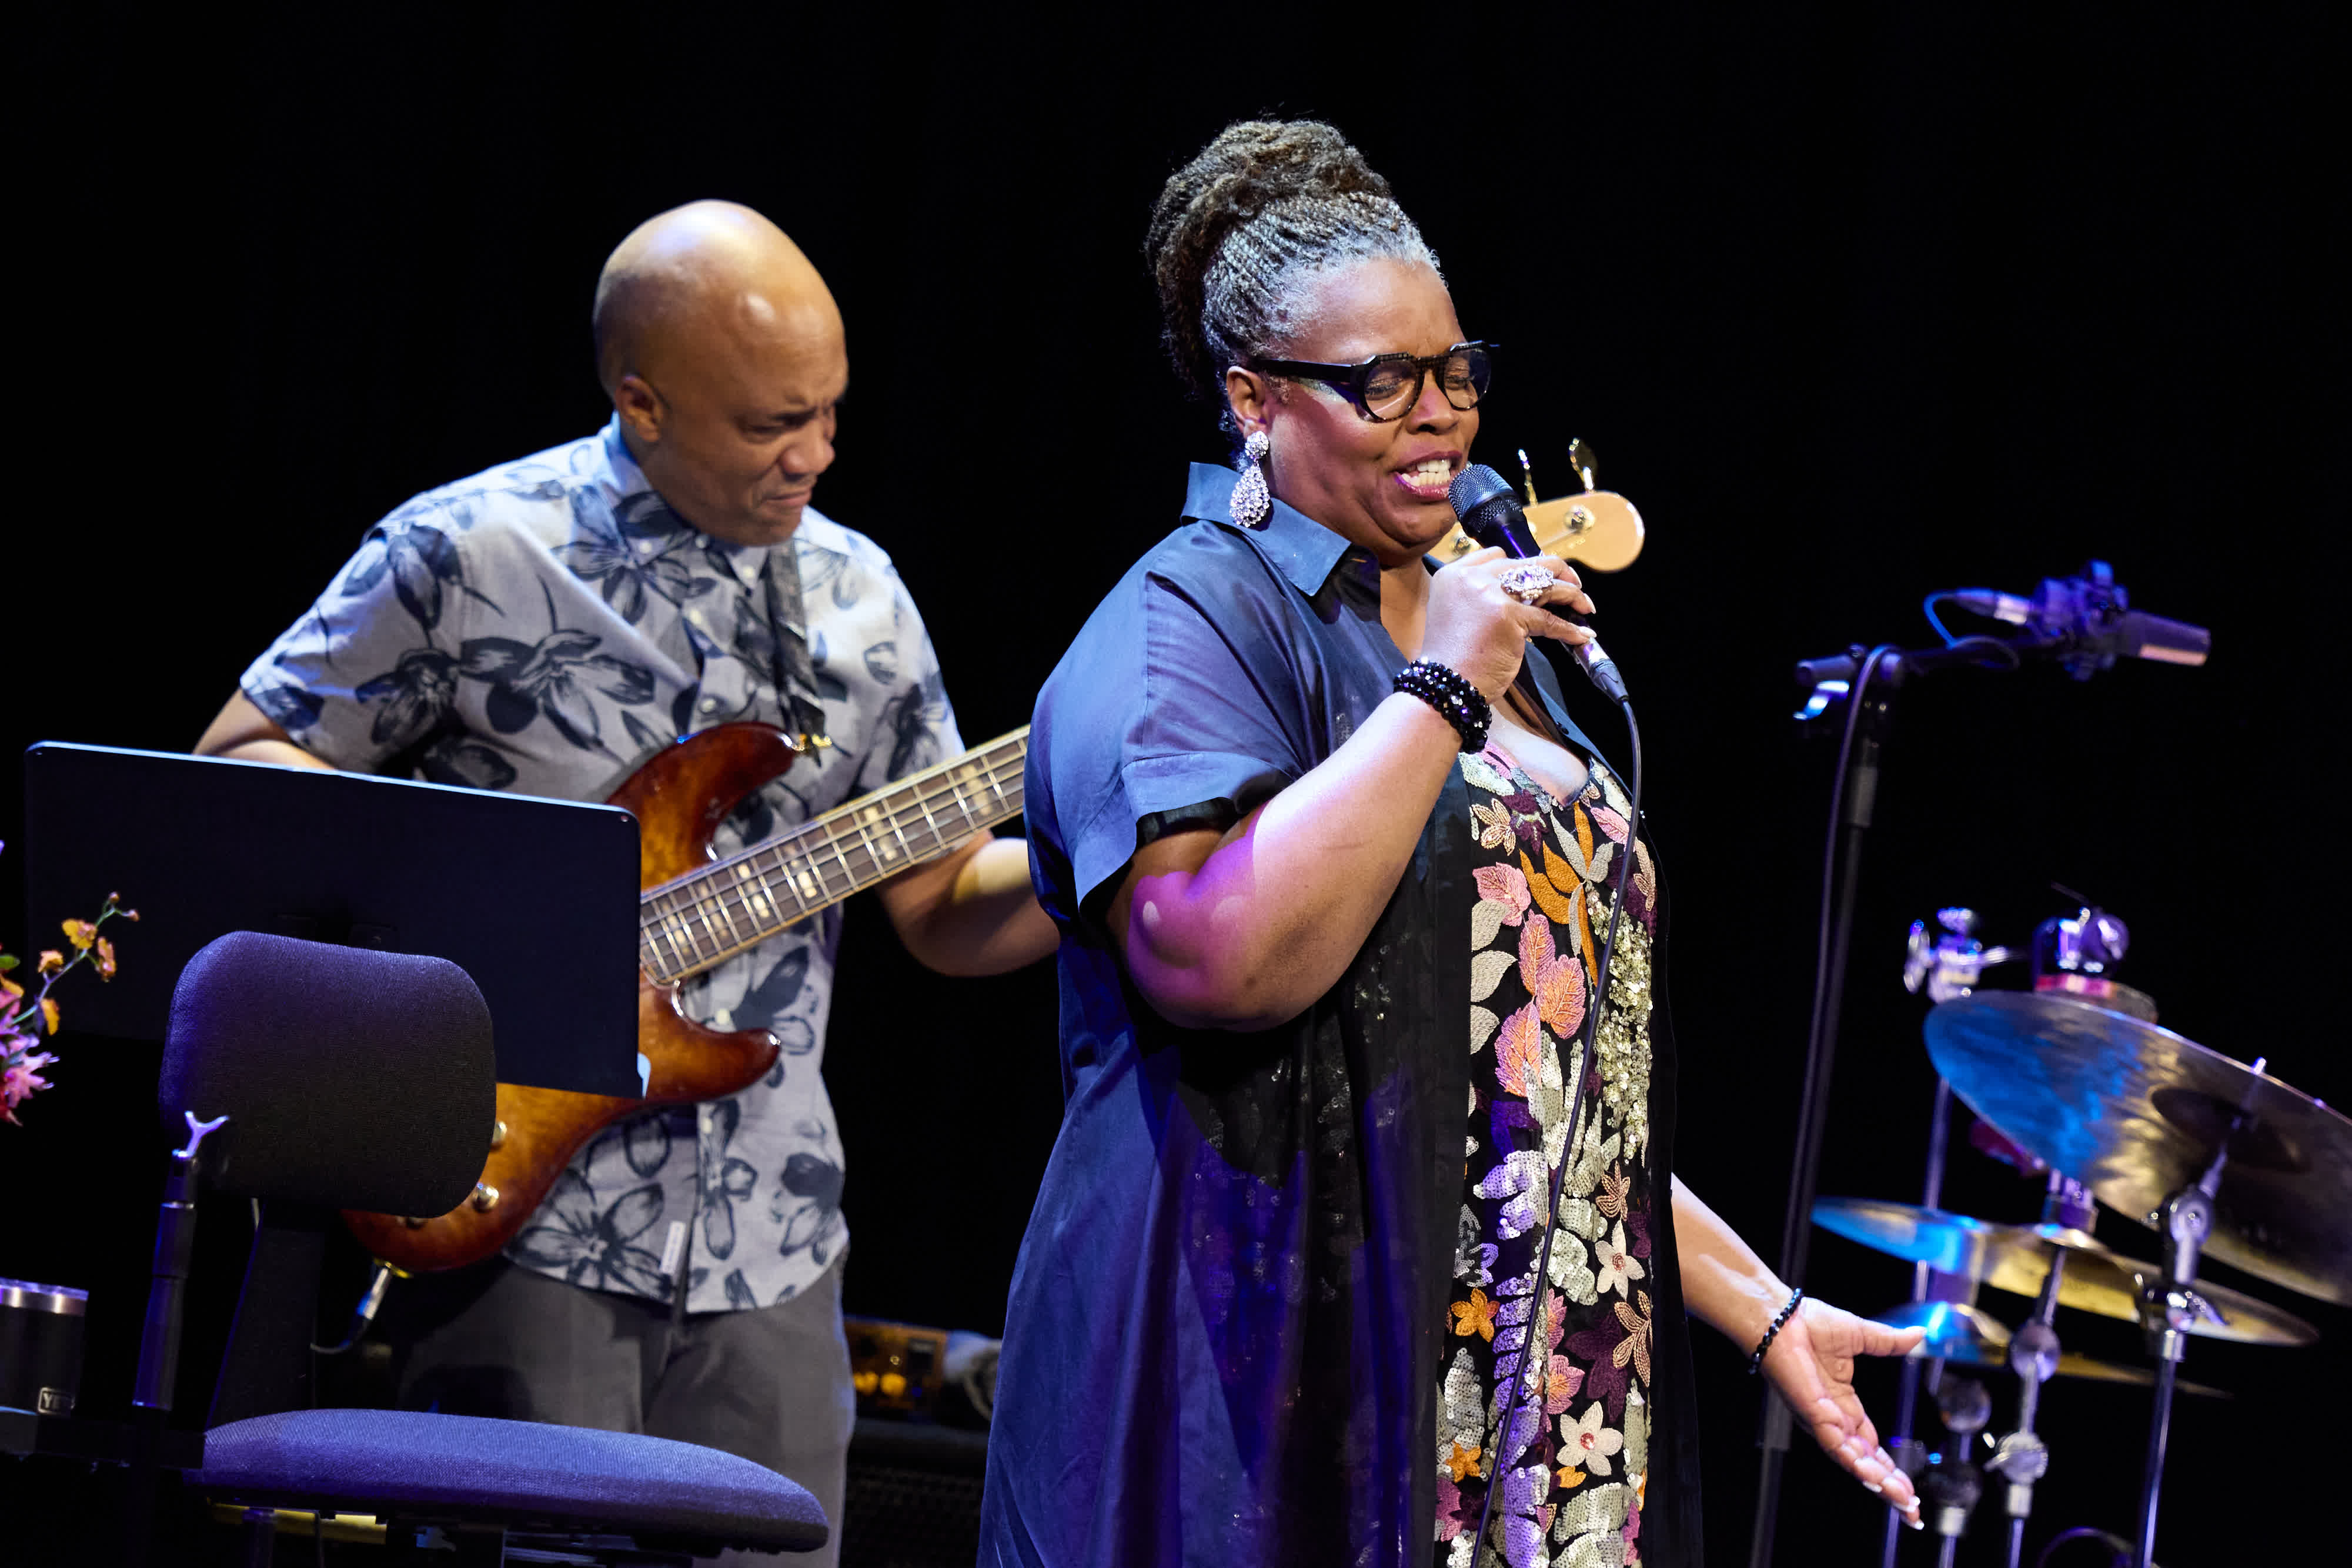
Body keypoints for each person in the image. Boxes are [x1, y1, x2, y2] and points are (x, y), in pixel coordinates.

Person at [979, 122, 1923, 1568]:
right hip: (1275, 1369)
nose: (1438, 416)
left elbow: (1529, 1078)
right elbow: (1205, 956)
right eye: (1380, 382)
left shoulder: (1478, 633)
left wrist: (1761, 1305)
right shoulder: (1189, 621)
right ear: (1252, 399)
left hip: (1540, 1373)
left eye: (1454, 371)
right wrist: (1437, 693)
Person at [196, 199, 1057, 1566]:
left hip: (774, 1237)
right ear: (640, 400)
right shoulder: (469, 550)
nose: (817, 453)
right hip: (523, 1212)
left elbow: (941, 907)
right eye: (773, 423)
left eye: (829, 412)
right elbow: (241, 770)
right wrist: (471, 922)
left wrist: (1098, 865)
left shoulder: (866, 598)